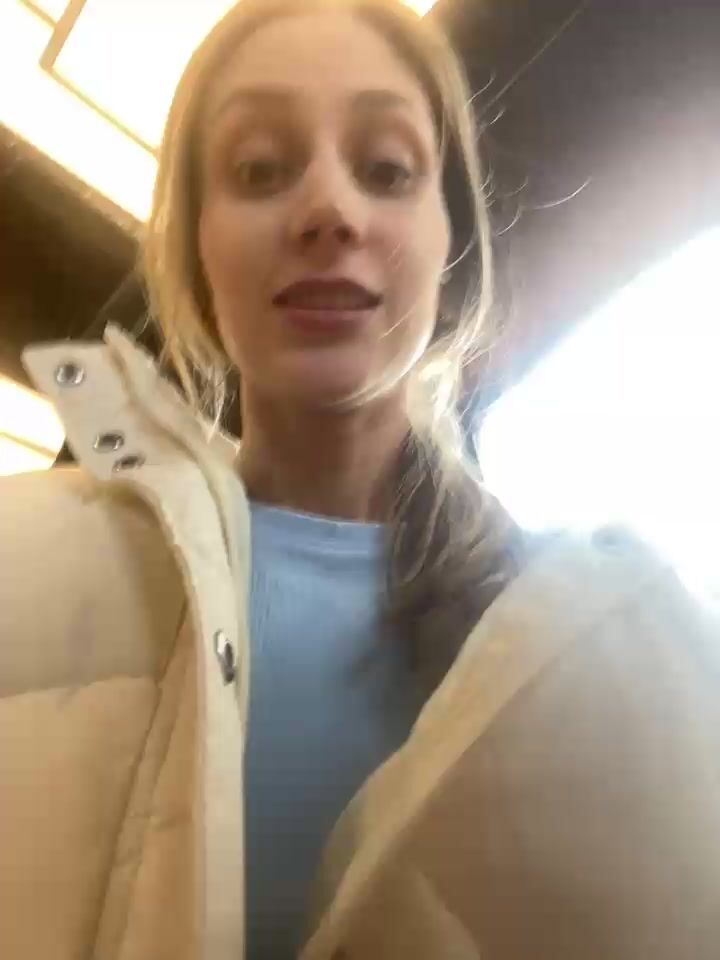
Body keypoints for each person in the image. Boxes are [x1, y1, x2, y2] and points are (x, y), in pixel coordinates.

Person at [1, 1, 719, 958]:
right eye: (261, 169)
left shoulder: (597, 641)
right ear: (197, 249)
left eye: (385, 169)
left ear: (449, 241)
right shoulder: (31, 566)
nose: (329, 212)